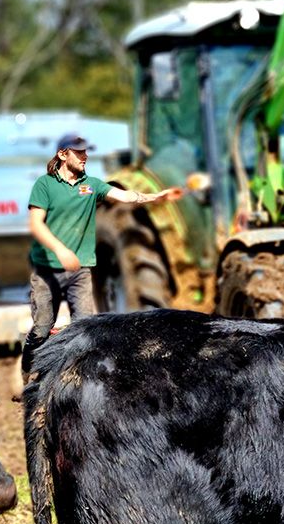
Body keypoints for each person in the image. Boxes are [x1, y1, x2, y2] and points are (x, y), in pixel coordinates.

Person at [21, 133, 173, 380]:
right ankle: (28, 374)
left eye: (86, 151)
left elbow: (123, 196)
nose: (85, 156)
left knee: (85, 328)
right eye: (79, 152)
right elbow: (36, 225)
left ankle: (82, 380)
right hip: (47, 269)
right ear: (62, 155)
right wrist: (61, 250)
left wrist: (153, 197)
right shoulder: (44, 186)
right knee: (42, 328)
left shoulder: (90, 185)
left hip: (79, 271)